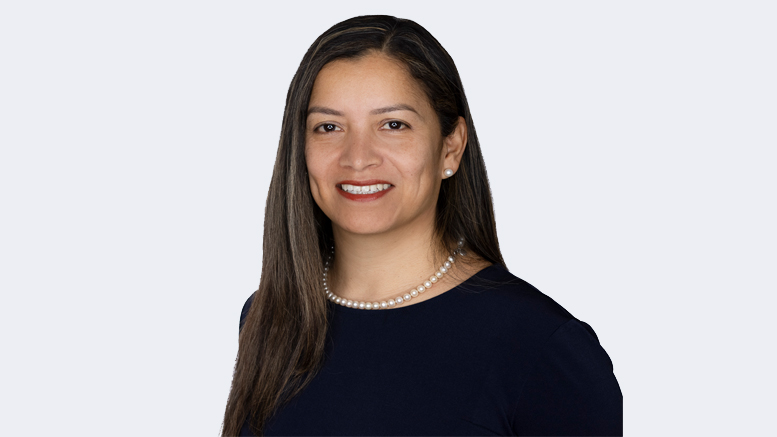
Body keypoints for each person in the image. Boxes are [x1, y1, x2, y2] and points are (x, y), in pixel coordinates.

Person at [222, 15, 622, 436]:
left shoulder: (542, 348)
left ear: (451, 147)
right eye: (329, 127)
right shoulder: (271, 316)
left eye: (393, 125)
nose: (357, 158)